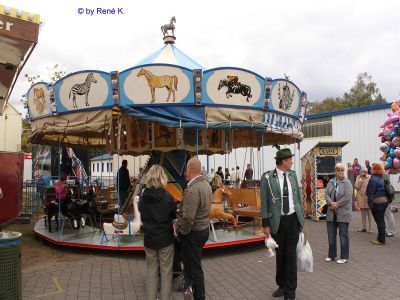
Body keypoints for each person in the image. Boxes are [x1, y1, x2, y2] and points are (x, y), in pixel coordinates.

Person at [261, 148, 304, 300]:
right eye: (290, 159)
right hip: (276, 223)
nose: (292, 161)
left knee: (291, 257)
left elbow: (298, 199)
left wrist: (301, 221)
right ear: (283, 162)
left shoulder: (293, 175)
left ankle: (290, 292)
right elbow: (265, 204)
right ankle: (281, 284)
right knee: (281, 256)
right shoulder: (267, 178)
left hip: (292, 220)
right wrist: (266, 227)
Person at [138, 165, 176, 300]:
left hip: (149, 239)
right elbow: (173, 216)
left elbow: (141, 212)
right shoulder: (168, 197)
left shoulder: (143, 196)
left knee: (151, 272)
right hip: (165, 239)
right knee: (166, 273)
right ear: (162, 178)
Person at [176, 158, 212, 300]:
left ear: (189, 170)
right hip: (203, 229)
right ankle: (188, 290)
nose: (185, 173)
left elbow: (189, 218)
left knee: (195, 267)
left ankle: (199, 296)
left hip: (193, 233)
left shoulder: (193, 190)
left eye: (185, 170)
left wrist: (181, 232)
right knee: (192, 265)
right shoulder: (206, 185)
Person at [325, 163, 353, 264]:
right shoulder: (331, 182)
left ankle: (344, 257)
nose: (340, 171)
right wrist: (331, 202)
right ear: (335, 171)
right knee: (331, 236)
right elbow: (326, 194)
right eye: (337, 170)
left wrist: (336, 204)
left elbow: (347, 197)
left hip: (343, 213)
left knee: (343, 236)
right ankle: (332, 255)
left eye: (341, 170)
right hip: (331, 213)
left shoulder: (348, 183)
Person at [366, 163, 389, 245]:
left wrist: (370, 204)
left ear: (375, 170)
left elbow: (370, 193)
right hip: (385, 201)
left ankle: (381, 240)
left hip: (377, 203)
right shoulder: (382, 177)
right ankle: (380, 238)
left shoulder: (373, 179)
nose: (371, 170)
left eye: (372, 168)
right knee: (381, 220)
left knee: (379, 221)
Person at [355, 168, 373, 233]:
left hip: (368, 197)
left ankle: (371, 228)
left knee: (369, 214)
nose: (363, 173)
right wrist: (361, 180)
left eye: (365, 172)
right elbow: (356, 187)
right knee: (363, 213)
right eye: (362, 172)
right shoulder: (358, 177)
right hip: (361, 197)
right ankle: (363, 227)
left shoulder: (370, 177)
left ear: (367, 172)